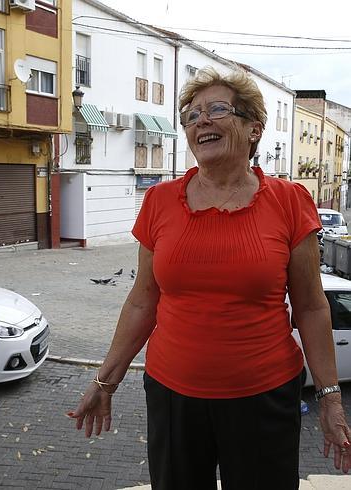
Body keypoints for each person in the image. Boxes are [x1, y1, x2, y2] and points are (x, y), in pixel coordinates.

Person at [69, 67, 350, 489]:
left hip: (264, 396)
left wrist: (330, 399)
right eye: (192, 114)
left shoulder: (290, 201)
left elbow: (311, 307)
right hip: (172, 395)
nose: (201, 121)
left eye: (217, 109)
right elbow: (143, 301)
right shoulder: (161, 201)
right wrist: (104, 380)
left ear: (253, 129)